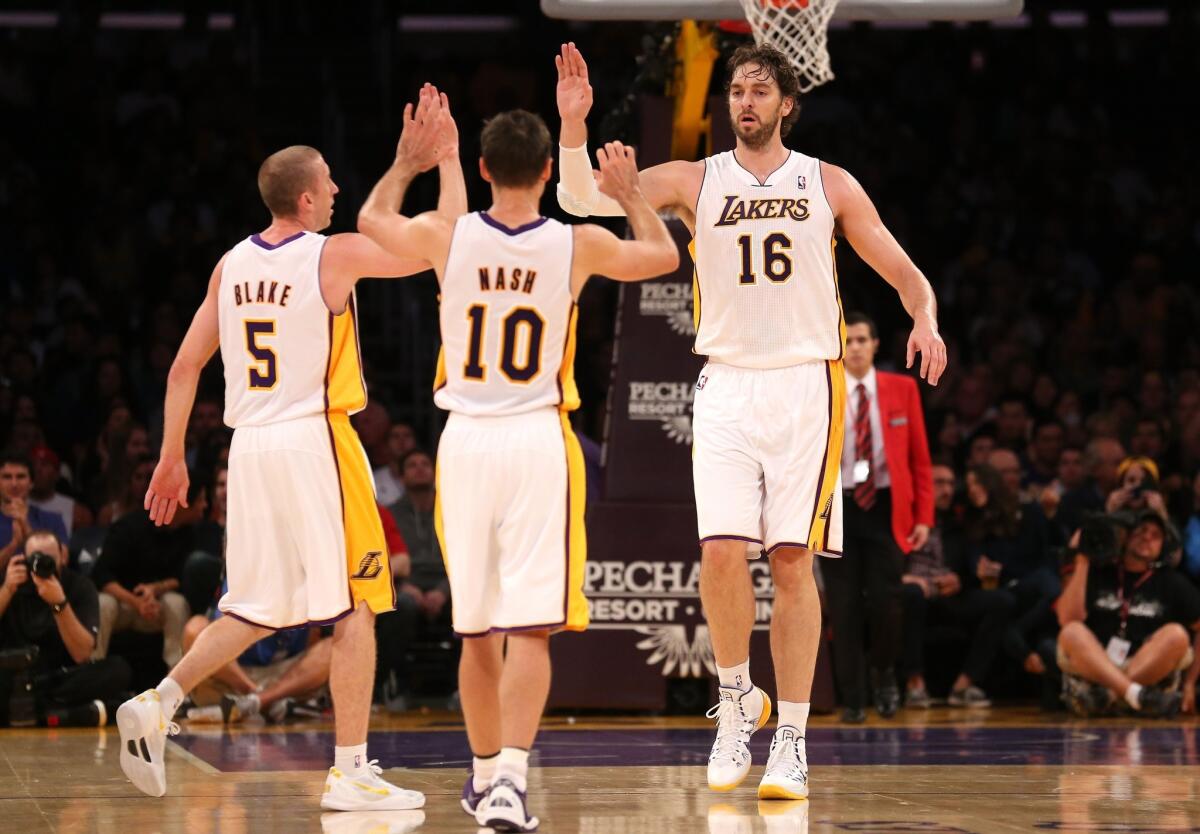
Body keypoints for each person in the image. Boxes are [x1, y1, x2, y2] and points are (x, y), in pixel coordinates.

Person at [554, 41, 946, 799]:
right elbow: (584, 198)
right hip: (727, 382)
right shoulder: (696, 180)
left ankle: (792, 739)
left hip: (806, 382)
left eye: (760, 90)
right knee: (723, 552)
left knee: (791, 562)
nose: (745, 101)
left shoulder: (825, 182)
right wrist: (574, 128)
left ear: (787, 104)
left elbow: (901, 270)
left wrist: (924, 318)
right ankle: (737, 701)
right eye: (736, 90)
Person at [116, 85, 467, 811]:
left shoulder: (230, 264)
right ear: (306, 200)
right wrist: (437, 161)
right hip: (316, 440)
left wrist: (173, 454)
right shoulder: (330, 256)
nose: (338, 189)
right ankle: (350, 771)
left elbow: (184, 367)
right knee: (359, 606)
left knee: (254, 606)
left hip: (247, 449)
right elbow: (446, 239)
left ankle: (159, 699)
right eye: (329, 181)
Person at [358, 96, 678, 829]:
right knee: (529, 628)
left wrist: (410, 161)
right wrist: (628, 195)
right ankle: (508, 781)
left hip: (465, 441)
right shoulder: (575, 244)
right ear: (543, 170)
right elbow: (661, 255)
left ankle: (482, 775)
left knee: (475, 629)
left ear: (480, 168)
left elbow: (372, 221)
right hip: (536, 441)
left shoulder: (450, 235)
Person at [822, 311, 934, 723]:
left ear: (875, 344)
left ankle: (886, 676)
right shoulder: (823, 387)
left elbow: (920, 459)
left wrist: (923, 515)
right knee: (843, 604)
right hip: (838, 507)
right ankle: (852, 696)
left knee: (887, 603)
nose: (854, 347)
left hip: (886, 506)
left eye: (861, 340)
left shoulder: (901, 388)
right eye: (847, 340)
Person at [1057, 510, 1200, 716]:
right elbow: (1067, 618)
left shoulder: (1172, 581)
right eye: (1141, 530)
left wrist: (1189, 685)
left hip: (1143, 666)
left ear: (1162, 548)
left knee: (1177, 634)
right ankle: (1133, 694)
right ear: (1125, 537)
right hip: (1097, 663)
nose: (1147, 537)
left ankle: (1109, 696)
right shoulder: (1099, 570)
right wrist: (1082, 560)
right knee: (1071, 632)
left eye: (1156, 535)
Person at [900, 464, 1014, 707]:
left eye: (951, 484)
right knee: (911, 594)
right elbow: (885, 561)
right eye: (939, 483)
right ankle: (915, 684)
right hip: (913, 591)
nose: (947, 490)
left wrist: (960, 580)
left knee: (1001, 601)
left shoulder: (958, 522)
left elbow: (970, 563)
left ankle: (964, 685)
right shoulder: (904, 519)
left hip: (947, 593)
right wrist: (904, 577)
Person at [0, 530, 131, 725]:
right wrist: (7, 590)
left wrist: (59, 604)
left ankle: (29, 712)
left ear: (63, 556)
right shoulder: (10, 582)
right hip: (13, 675)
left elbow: (82, 653)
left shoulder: (80, 586)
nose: (41, 565)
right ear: (24, 560)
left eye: (48, 559)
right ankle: (59, 714)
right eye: (35, 559)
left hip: (59, 678)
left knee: (118, 670)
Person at [90, 472, 200, 669]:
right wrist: (135, 602)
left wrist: (156, 588)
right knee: (103, 603)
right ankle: (92, 671)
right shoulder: (128, 527)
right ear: (182, 504)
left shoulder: (187, 533)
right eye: (200, 500)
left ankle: (176, 678)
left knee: (177, 603)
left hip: (155, 606)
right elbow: (102, 575)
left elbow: (182, 577)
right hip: (122, 603)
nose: (205, 505)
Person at [1, 452, 69, 569]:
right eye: (7, 477)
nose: (14, 484)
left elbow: (62, 561)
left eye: (21, 476)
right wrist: (14, 545)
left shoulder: (53, 520)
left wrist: (27, 529)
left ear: (31, 483)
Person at [28, 445, 93, 537]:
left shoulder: (77, 513)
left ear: (57, 474)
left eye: (45, 464)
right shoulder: (10, 506)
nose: (38, 469)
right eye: (33, 464)